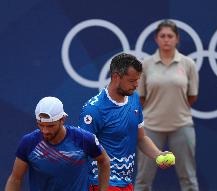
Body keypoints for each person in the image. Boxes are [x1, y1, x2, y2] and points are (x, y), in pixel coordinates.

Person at [79, 53, 172, 191]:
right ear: (116, 77)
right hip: (102, 184)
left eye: (138, 80)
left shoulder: (134, 98)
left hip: (126, 182)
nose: (136, 85)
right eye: (132, 81)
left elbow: (141, 138)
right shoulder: (94, 109)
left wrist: (158, 154)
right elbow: (81, 151)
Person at [134, 20, 199, 191]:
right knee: (143, 179)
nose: (166, 39)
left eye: (170, 36)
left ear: (177, 39)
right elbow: (140, 98)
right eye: (162, 36)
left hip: (182, 126)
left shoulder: (188, 64)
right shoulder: (146, 65)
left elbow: (192, 95)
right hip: (151, 128)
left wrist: (177, 109)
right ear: (156, 39)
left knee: (189, 179)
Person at [5, 96, 110, 191]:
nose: (45, 131)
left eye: (50, 126)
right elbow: (15, 179)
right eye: (41, 125)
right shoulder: (29, 142)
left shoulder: (83, 139)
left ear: (62, 119)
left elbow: (104, 161)